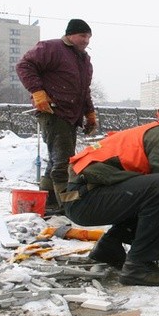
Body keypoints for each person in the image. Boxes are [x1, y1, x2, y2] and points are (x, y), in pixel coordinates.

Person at [61, 110, 159, 286]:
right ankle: (139, 266)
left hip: (84, 197)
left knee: (156, 189)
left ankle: (109, 248)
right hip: (85, 199)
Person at [16, 18, 97, 213]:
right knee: (63, 161)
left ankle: (48, 201)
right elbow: (24, 65)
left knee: (56, 159)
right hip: (54, 111)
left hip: (71, 115)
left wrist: (90, 113)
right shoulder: (51, 48)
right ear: (70, 35)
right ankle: (67, 205)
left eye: (89, 37)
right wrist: (37, 91)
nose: (86, 40)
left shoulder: (84, 60)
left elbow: (83, 90)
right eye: (82, 35)